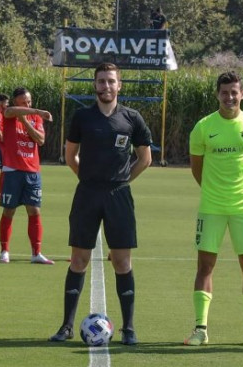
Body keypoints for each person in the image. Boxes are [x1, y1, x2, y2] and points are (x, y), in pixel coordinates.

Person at [49, 62, 152, 346]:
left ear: (119, 85)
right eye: (101, 81)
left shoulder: (132, 118)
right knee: (79, 259)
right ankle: (67, 326)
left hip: (119, 196)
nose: (106, 86)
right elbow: (71, 156)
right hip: (87, 194)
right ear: (94, 85)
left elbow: (145, 158)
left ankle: (129, 329)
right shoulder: (82, 117)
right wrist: (89, 179)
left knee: (122, 261)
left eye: (111, 81)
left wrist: (122, 181)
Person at [184, 71, 243, 348]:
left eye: (234, 92)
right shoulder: (203, 127)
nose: (229, 97)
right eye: (224, 92)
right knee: (205, 266)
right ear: (217, 94)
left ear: (242, 94)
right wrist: (213, 190)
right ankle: (200, 329)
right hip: (211, 207)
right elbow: (197, 168)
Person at [0, 87, 54, 264]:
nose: (28, 105)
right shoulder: (9, 113)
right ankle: (4, 250)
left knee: (34, 210)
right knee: (9, 210)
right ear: (15, 102)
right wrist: (33, 112)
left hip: (32, 172)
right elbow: (11, 112)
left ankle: (36, 253)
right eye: (24, 102)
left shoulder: (35, 118)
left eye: (29, 102)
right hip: (13, 171)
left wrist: (27, 119)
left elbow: (40, 140)